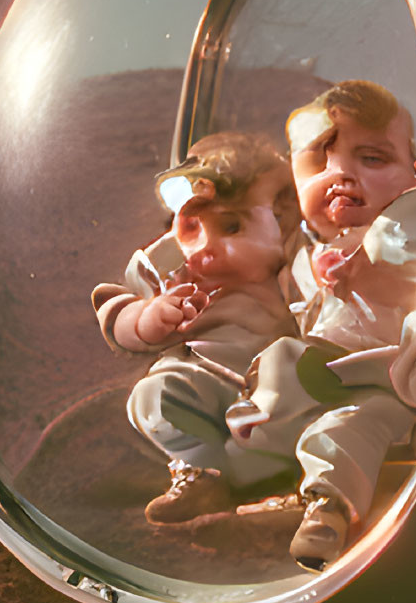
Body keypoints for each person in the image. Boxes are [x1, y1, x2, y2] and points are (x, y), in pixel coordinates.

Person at [249, 79, 416, 568]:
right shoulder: (298, 258)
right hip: (322, 378)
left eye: (373, 159)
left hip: (394, 383)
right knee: (266, 399)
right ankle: (230, 468)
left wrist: (371, 264)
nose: (340, 174)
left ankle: (328, 510)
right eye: (319, 162)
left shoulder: (410, 227)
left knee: (345, 430)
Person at [93, 131, 306, 524]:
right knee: (154, 394)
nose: (205, 247)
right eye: (192, 228)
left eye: (231, 227)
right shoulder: (174, 275)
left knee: (296, 383)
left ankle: (277, 480)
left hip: (273, 392)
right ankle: (203, 473)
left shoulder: (291, 268)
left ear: (281, 225)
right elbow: (115, 308)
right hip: (204, 380)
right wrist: (147, 318)